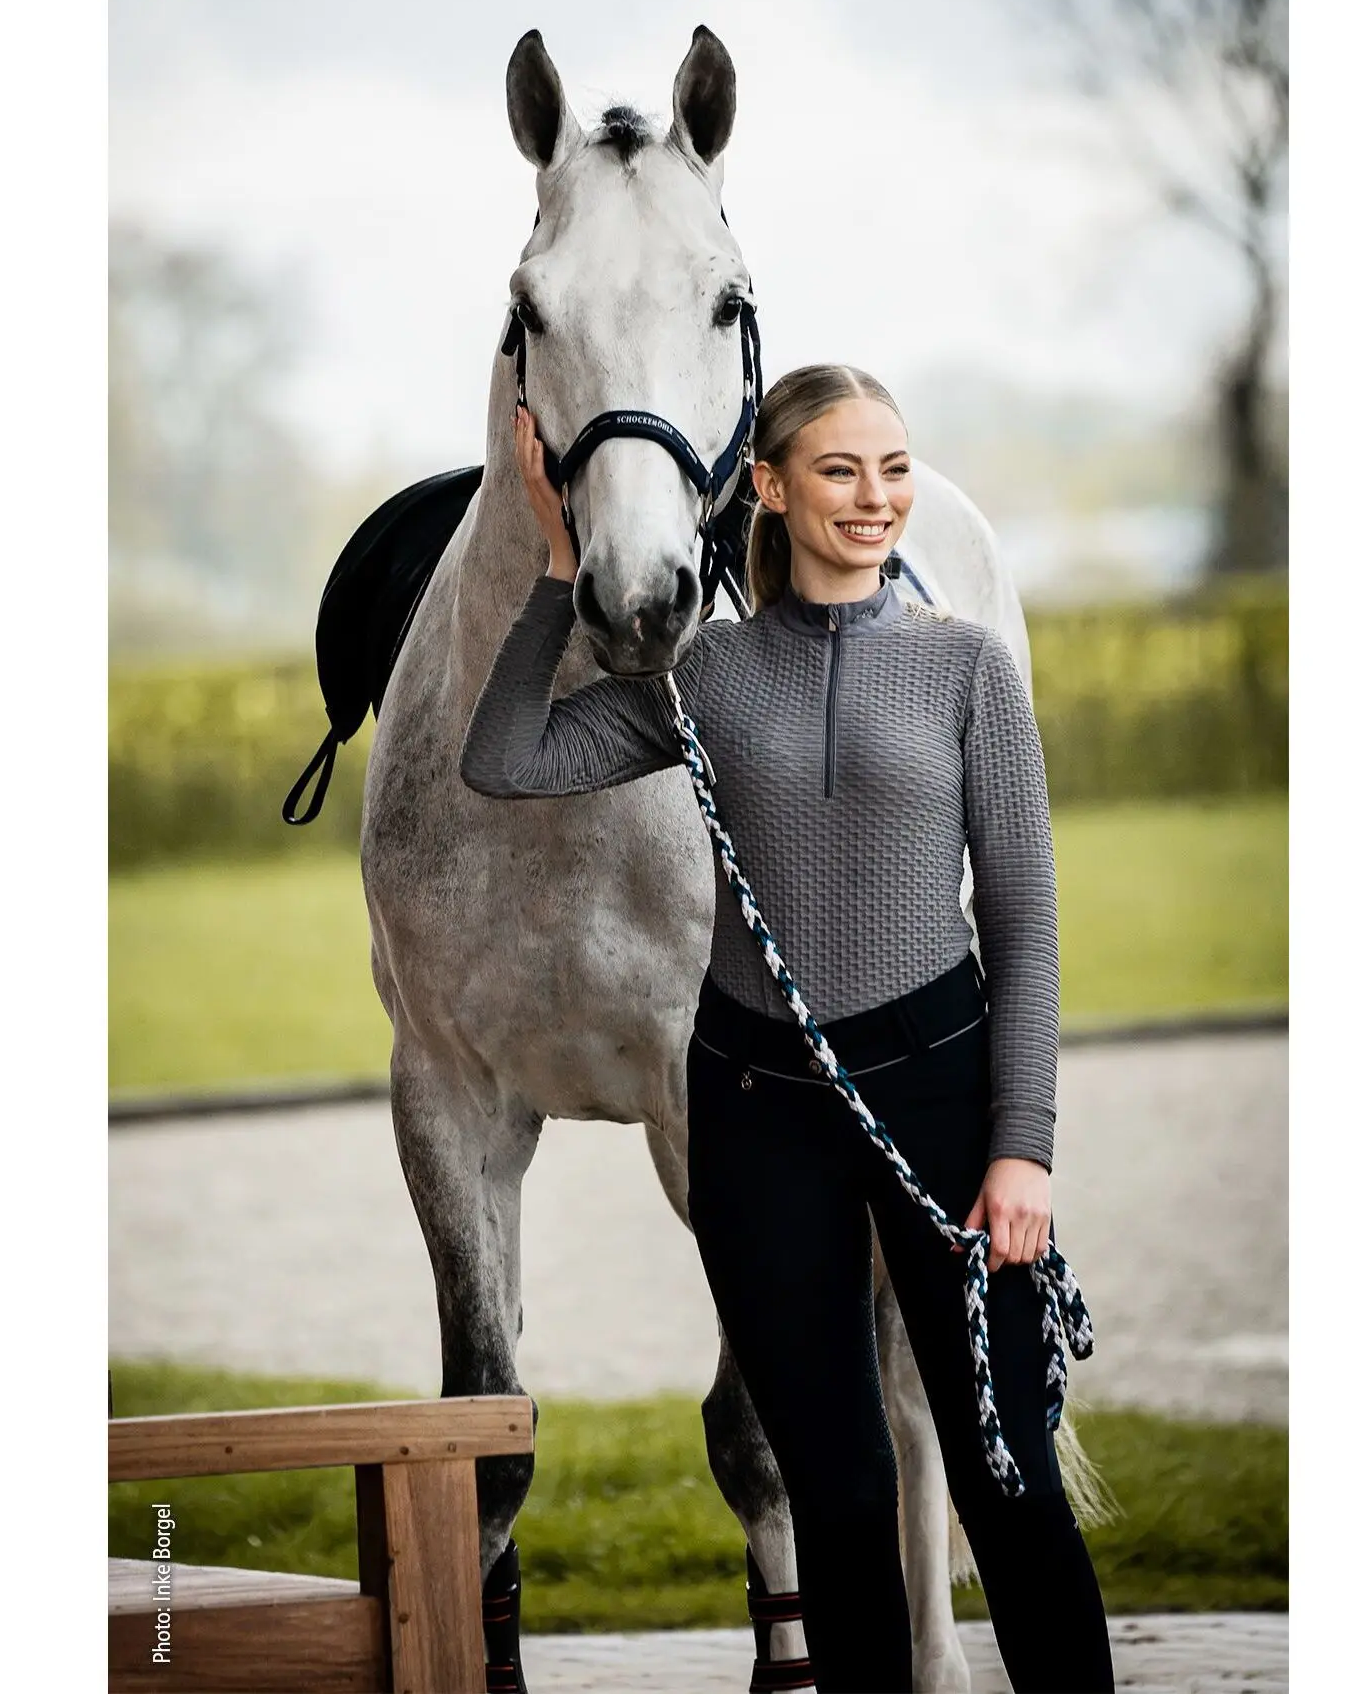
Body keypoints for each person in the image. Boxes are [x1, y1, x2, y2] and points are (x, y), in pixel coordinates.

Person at [459, 364, 1115, 1694]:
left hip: (938, 1098)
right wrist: (552, 560)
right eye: (840, 470)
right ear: (766, 484)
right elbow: (508, 757)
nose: (876, 498)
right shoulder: (700, 678)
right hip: (755, 1110)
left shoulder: (965, 669)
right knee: (836, 1481)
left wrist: (1024, 1149)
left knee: (1006, 1467)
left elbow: (1029, 929)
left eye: (894, 468)